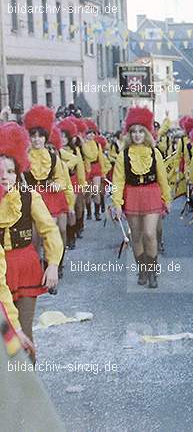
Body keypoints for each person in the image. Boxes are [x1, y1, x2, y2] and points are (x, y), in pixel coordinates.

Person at [0, 123, 62, 362]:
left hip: (25, 267)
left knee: (23, 335)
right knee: (6, 339)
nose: (4, 177)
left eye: (10, 171)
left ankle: (29, 391)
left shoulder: (29, 196)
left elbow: (49, 229)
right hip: (1, 270)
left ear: (18, 172)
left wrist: (54, 263)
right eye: (0, 171)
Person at [112, 107, 171, 289]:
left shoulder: (155, 153)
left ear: (146, 132)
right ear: (129, 134)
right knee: (136, 237)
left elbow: (162, 179)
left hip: (152, 194)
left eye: (140, 131)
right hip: (132, 196)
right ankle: (143, 270)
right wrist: (117, 204)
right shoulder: (123, 156)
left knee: (150, 233)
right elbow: (118, 181)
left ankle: (153, 272)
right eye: (133, 131)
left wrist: (166, 199)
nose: (137, 135)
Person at [23, 106, 74, 280]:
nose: (37, 140)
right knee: (33, 238)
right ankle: (37, 271)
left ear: (46, 137)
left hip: (49, 199)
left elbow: (63, 179)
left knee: (49, 234)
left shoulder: (53, 157)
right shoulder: (23, 157)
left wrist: (56, 186)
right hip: (29, 198)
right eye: (33, 136)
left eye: (40, 136)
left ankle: (53, 265)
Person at [58, 118, 87, 250]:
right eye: (61, 136)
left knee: (74, 209)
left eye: (65, 136)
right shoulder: (55, 150)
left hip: (73, 181)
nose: (63, 139)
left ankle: (72, 235)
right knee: (65, 210)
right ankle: (69, 235)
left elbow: (79, 165)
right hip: (60, 184)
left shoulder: (75, 150)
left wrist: (83, 184)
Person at [81, 120, 108, 221]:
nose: (91, 135)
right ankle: (88, 212)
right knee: (87, 192)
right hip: (86, 169)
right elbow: (88, 155)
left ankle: (97, 213)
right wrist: (83, 143)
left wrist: (103, 172)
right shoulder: (82, 145)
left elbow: (101, 158)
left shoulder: (97, 144)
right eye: (89, 133)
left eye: (93, 133)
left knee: (96, 190)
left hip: (96, 167)